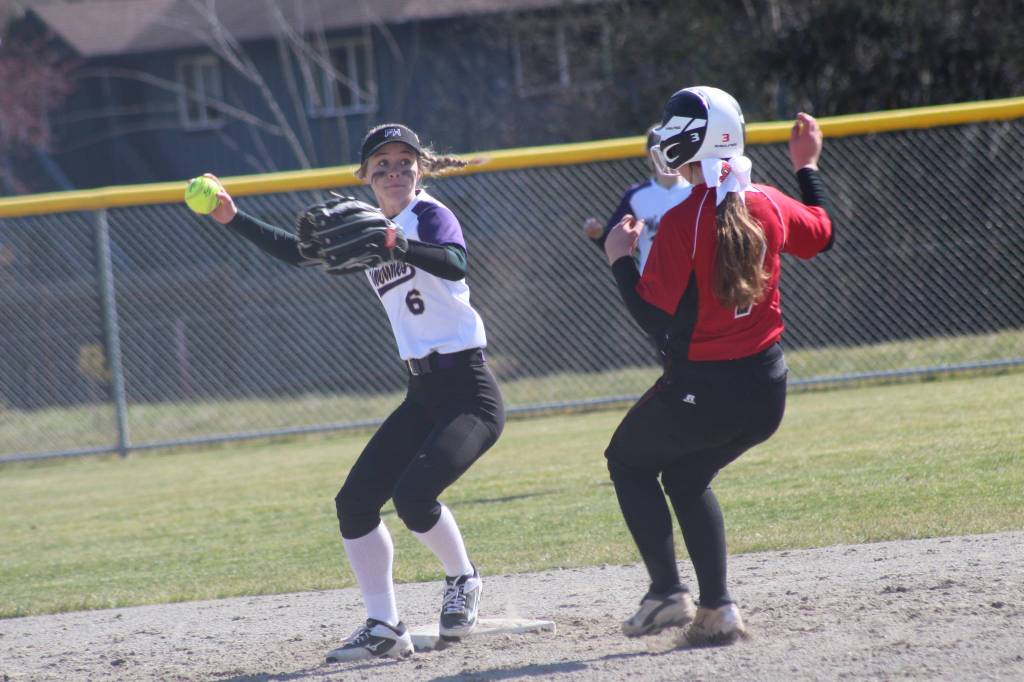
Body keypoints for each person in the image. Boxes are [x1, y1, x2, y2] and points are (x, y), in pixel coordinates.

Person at [199, 123, 505, 662]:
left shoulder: (428, 214)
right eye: (381, 164)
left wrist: (397, 242)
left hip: (469, 392)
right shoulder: (369, 226)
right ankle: (385, 627)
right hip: (422, 392)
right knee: (355, 503)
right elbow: (301, 253)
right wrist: (233, 218)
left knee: (414, 496)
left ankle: (464, 579)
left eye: (405, 161)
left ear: (420, 169)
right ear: (364, 176)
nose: (394, 171)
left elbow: (456, 261)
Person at [601, 86, 834, 646]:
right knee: (685, 477)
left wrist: (618, 260)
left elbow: (653, 319)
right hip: (768, 389)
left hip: (704, 389)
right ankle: (718, 609)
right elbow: (822, 235)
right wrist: (806, 167)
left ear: (697, 141)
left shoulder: (684, 219)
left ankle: (666, 594)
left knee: (627, 462)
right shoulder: (767, 200)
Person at [582, 125, 691, 273]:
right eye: (660, 150)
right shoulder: (636, 196)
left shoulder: (698, 190)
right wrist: (599, 235)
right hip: (653, 282)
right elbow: (615, 244)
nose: (667, 155)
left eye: (673, 148)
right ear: (650, 155)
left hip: (695, 281)